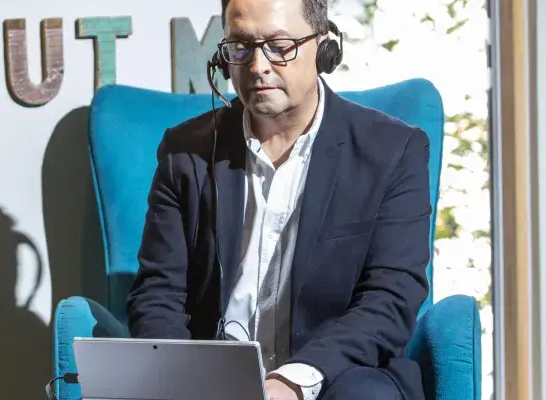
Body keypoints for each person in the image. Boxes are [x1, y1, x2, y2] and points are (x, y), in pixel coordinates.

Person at [125, 0, 431, 399]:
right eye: (241, 46)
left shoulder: (393, 150)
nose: (257, 66)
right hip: (212, 379)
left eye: (279, 46)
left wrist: (294, 380)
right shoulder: (185, 152)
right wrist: (183, 378)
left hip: (336, 375)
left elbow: (391, 297)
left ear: (324, 48)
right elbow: (158, 293)